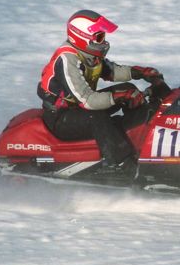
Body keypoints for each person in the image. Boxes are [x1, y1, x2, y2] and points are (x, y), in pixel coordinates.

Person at [38, 9, 162, 168]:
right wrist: (118, 96)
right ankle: (118, 163)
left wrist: (139, 72)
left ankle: (139, 138)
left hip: (78, 109)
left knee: (129, 89)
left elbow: (112, 71)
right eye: (99, 37)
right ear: (82, 37)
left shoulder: (89, 55)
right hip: (60, 118)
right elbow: (88, 101)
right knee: (96, 116)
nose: (103, 41)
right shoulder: (67, 60)